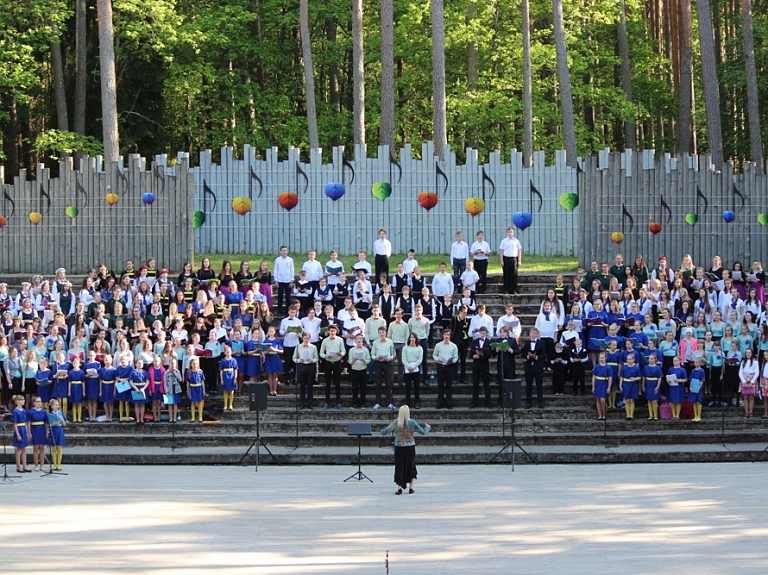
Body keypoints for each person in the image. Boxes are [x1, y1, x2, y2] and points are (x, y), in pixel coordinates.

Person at [380, 405, 430, 495]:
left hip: (399, 447)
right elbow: (423, 432)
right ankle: (411, 487)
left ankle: (399, 488)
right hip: (410, 446)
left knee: (400, 466)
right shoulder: (412, 423)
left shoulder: (395, 422)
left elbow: (384, 432)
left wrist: (381, 429)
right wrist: (428, 427)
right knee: (411, 466)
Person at [319, 324, 345, 409]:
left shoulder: (340, 340)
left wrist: (340, 354)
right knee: (328, 383)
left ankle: (338, 403)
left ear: (336, 331)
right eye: (331, 331)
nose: (332, 332)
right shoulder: (325, 341)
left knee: (337, 383)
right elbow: (321, 353)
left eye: (334, 331)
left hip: (337, 362)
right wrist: (325, 356)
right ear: (328, 331)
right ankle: (327, 403)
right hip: (328, 362)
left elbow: (343, 351)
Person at [371, 326, 396, 410]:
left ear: (386, 333)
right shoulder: (375, 342)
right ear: (378, 333)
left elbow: (393, 353)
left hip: (388, 363)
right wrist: (376, 358)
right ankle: (378, 402)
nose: (382, 334)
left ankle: (389, 402)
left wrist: (390, 358)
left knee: (388, 383)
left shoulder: (390, 342)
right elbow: (373, 354)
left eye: (383, 332)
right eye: (380, 332)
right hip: (378, 363)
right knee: (378, 383)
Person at [293, 331, 318, 409]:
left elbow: (316, 357)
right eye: (305, 338)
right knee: (302, 386)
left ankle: (310, 403)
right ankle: (302, 403)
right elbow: (294, 358)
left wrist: (312, 360)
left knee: (310, 385)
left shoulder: (313, 347)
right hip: (302, 366)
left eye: (307, 338)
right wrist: (298, 360)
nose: (306, 340)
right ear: (302, 338)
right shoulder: (298, 347)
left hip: (310, 366)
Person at [470, 326, 493, 408]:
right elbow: (470, 354)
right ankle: (474, 402)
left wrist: (483, 354)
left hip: (484, 365)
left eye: (484, 333)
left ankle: (488, 402)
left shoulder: (488, 342)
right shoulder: (474, 342)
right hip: (476, 365)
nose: (483, 334)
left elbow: (490, 354)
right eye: (481, 333)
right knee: (475, 384)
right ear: (479, 332)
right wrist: (475, 356)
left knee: (486, 385)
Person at [524, 328, 545, 409]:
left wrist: (536, 356)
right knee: (528, 386)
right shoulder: (527, 343)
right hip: (529, 366)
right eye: (531, 333)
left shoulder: (541, 343)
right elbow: (523, 353)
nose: (532, 335)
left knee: (539, 385)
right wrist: (528, 356)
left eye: (534, 333)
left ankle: (541, 402)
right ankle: (528, 402)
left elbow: (543, 355)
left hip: (538, 366)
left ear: (537, 334)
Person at [348, 334, 371, 409]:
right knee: (354, 387)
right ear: (355, 340)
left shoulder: (365, 350)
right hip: (354, 370)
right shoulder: (352, 350)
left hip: (362, 370)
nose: (359, 340)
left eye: (360, 339)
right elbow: (349, 361)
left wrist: (364, 360)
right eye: (357, 339)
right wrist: (353, 360)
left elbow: (369, 360)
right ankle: (354, 403)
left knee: (363, 387)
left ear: (362, 340)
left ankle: (362, 403)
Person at [499, 226, 522, 294]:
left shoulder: (516, 241)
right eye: (509, 232)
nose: (510, 233)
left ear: (513, 233)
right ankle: (506, 289)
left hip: (514, 258)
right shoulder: (504, 241)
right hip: (506, 258)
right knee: (506, 275)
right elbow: (501, 251)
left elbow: (519, 250)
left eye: (511, 232)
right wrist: (501, 260)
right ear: (507, 232)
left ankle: (513, 289)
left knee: (514, 275)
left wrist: (519, 260)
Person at [402, 333, 424, 407]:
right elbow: (403, 359)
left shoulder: (419, 348)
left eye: (414, 337)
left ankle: (417, 402)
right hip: (407, 369)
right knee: (407, 386)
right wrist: (408, 366)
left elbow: (420, 360)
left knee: (416, 386)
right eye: (411, 337)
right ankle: (408, 401)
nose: (412, 339)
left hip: (416, 369)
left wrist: (414, 366)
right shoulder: (405, 348)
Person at [27, 396, 47, 471]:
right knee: (35, 448)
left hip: (42, 429)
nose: (39, 403)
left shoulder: (44, 411)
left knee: (42, 448)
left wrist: (47, 432)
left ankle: (42, 465)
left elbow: (46, 422)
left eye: (40, 401)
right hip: (34, 429)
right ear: (34, 403)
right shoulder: (30, 412)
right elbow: (28, 423)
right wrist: (29, 433)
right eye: (38, 401)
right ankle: (36, 465)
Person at [619, 353, 641, 420]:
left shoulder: (636, 368)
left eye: (630, 359)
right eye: (628, 359)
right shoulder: (624, 368)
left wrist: (634, 379)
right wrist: (620, 385)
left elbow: (639, 377)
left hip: (633, 385)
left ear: (633, 360)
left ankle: (631, 415)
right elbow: (621, 377)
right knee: (627, 400)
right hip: (626, 384)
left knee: (631, 400)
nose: (629, 361)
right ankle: (627, 415)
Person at [11, 395, 30, 472]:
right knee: (18, 449)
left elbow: (25, 422)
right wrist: (18, 434)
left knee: (24, 448)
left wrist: (27, 433)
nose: (23, 401)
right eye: (22, 400)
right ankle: (19, 466)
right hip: (19, 429)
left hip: (23, 429)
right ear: (17, 401)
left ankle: (24, 465)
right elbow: (14, 424)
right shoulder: (15, 411)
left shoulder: (24, 410)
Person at [274, 246, 295, 314]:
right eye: (283, 250)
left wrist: (292, 280)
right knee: (280, 296)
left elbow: (292, 270)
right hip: (280, 280)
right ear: (280, 251)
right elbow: (276, 270)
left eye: (286, 250)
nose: (284, 252)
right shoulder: (277, 260)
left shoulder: (290, 260)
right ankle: (279, 310)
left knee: (288, 297)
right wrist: (276, 280)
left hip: (288, 280)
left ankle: (287, 311)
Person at [739, 348, 759, 419]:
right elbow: (740, 373)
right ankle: (746, 412)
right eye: (747, 353)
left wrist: (752, 381)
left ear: (752, 353)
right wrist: (744, 381)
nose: (748, 354)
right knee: (745, 397)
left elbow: (757, 372)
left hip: (752, 380)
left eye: (749, 352)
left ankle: (750, 412)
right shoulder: (742, 362)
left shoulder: (755, 362)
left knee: (751, 397)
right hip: (744, 380)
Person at [47, 398, 67, 471]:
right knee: (54, 447)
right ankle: (54, 464)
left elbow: (65, 424)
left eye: (58, 405)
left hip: (60, 430)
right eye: (55, 405)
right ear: (52, 406)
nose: (57, 406)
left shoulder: (61, 413)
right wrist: (53, 424)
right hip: (53, 430)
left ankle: (59, 464)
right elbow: (48, 425)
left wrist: (62, 419)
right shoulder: (50, 414)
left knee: (59, 447)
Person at [666, 356, 688, 420]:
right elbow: (668, 377)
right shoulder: (671, 369)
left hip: (679, 387)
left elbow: (685, 379)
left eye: (676, 361)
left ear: (679, 361)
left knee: (678, 401)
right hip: (672, 386)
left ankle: (677, 415)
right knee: (672, 401)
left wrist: (678, 380)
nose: (675, 362)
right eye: (674, 361)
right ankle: (673, 415)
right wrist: (668, 380)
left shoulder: (682, 370)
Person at [592, 352, 611, 420]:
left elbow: (610, 378)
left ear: (605, 358)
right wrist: (593, 386)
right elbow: (594, 377)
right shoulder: (597, 367)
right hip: (598, 384)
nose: (601, 359)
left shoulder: (608, 367)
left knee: (603, 400)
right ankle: (600, 415)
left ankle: (604, 414)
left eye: (602, 358)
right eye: (600, 358)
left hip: (604, 384)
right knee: (598, 400)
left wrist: (609, 387)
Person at [219, 346, 238, 411]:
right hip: (225, 375)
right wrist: (221, 379)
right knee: (225, 391)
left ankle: (230, 404)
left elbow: (235, 369)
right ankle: (225, 405)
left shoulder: (233, 360)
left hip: (231, 375)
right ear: (225, 352)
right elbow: (221, 370)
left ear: (231, 352)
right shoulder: (223, 360)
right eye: (227, 352)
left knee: (231, 391)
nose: (228, 353)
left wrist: (235, 378)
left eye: (229, 352)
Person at [688, 357, 706, 422]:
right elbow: (691, 380)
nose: (695, 364)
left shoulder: (702, 371)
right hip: (693, 386)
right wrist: (690, 387)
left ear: (700, 363)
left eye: (697, 362)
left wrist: (698, 388)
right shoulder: (693, 371)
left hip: (698, 387)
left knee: (698, 402)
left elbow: (702, 380)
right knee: (694, 402)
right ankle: (695, 415)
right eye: (695, 362)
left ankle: (699, 415)